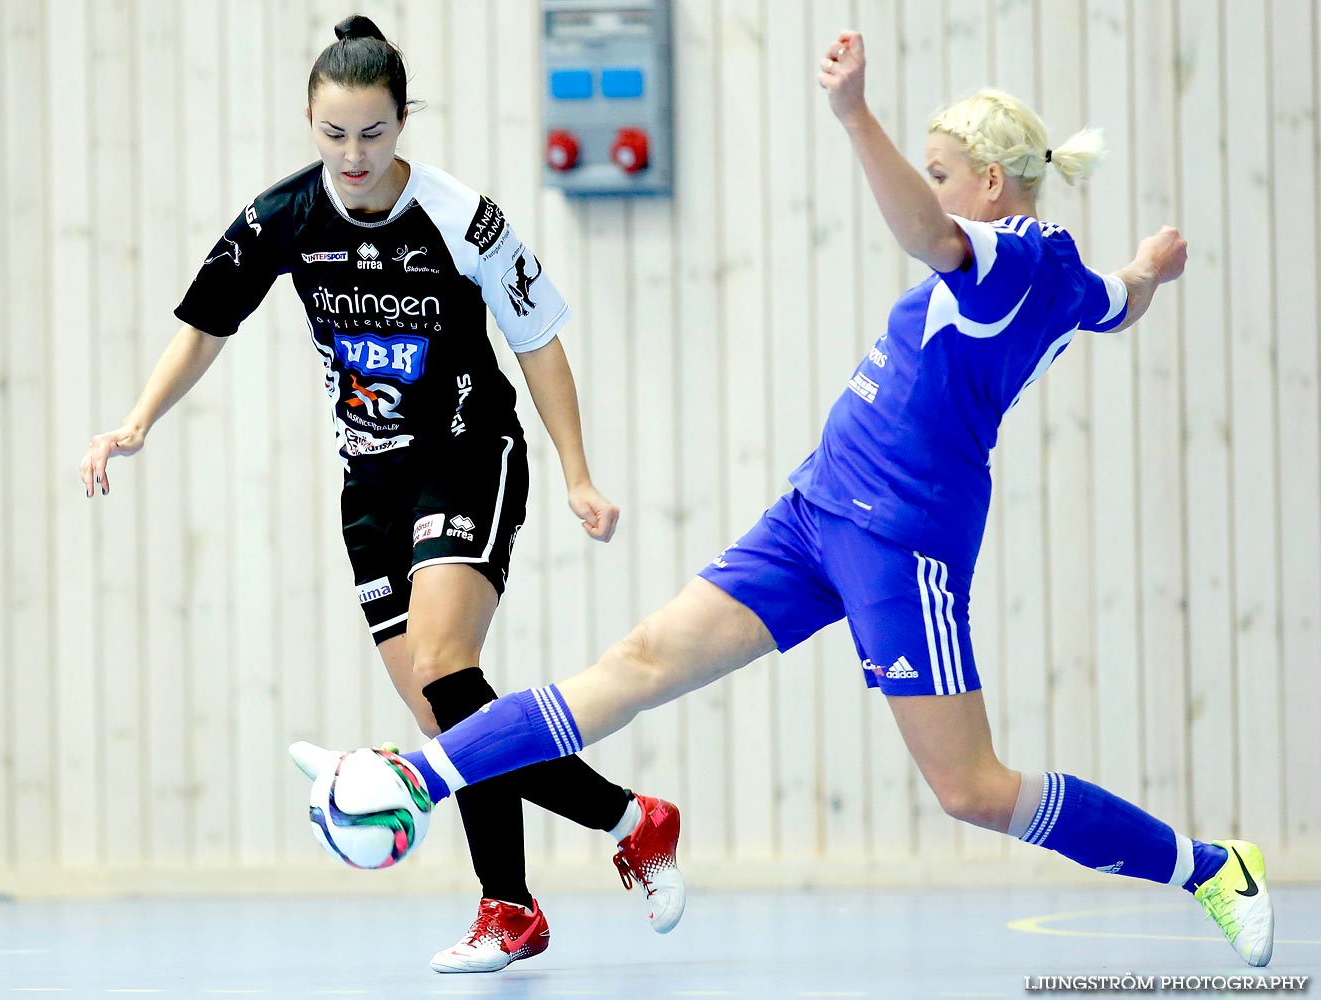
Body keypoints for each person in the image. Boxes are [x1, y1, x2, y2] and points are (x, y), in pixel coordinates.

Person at [298, 29, 1274, 969]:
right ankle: (417, 777)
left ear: (989, 182)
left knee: (970, 789)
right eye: (925, 169)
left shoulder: (1011, 259)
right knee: (635, 664)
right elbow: (1118, 296)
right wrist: (1150, 268)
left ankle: (1207, 868)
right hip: (814, 512)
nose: (933, 191)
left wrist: (855, 117)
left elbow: (929, 232)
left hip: (903, 541)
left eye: (942, 170)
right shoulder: (1061, 279)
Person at [80, 13, 684, 975]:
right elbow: (204, 323)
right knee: (449, 723)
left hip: (467, 451)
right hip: (370, 483)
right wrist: (138, 419)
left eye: (371, 132)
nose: (352, 155)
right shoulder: (282, 218)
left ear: (402, 122)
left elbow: (539, 344)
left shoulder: (462, 216)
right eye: (332, 134)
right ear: (309, 125)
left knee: (448, 663)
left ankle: (521, 897)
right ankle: (614, 829)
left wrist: (576, 473)